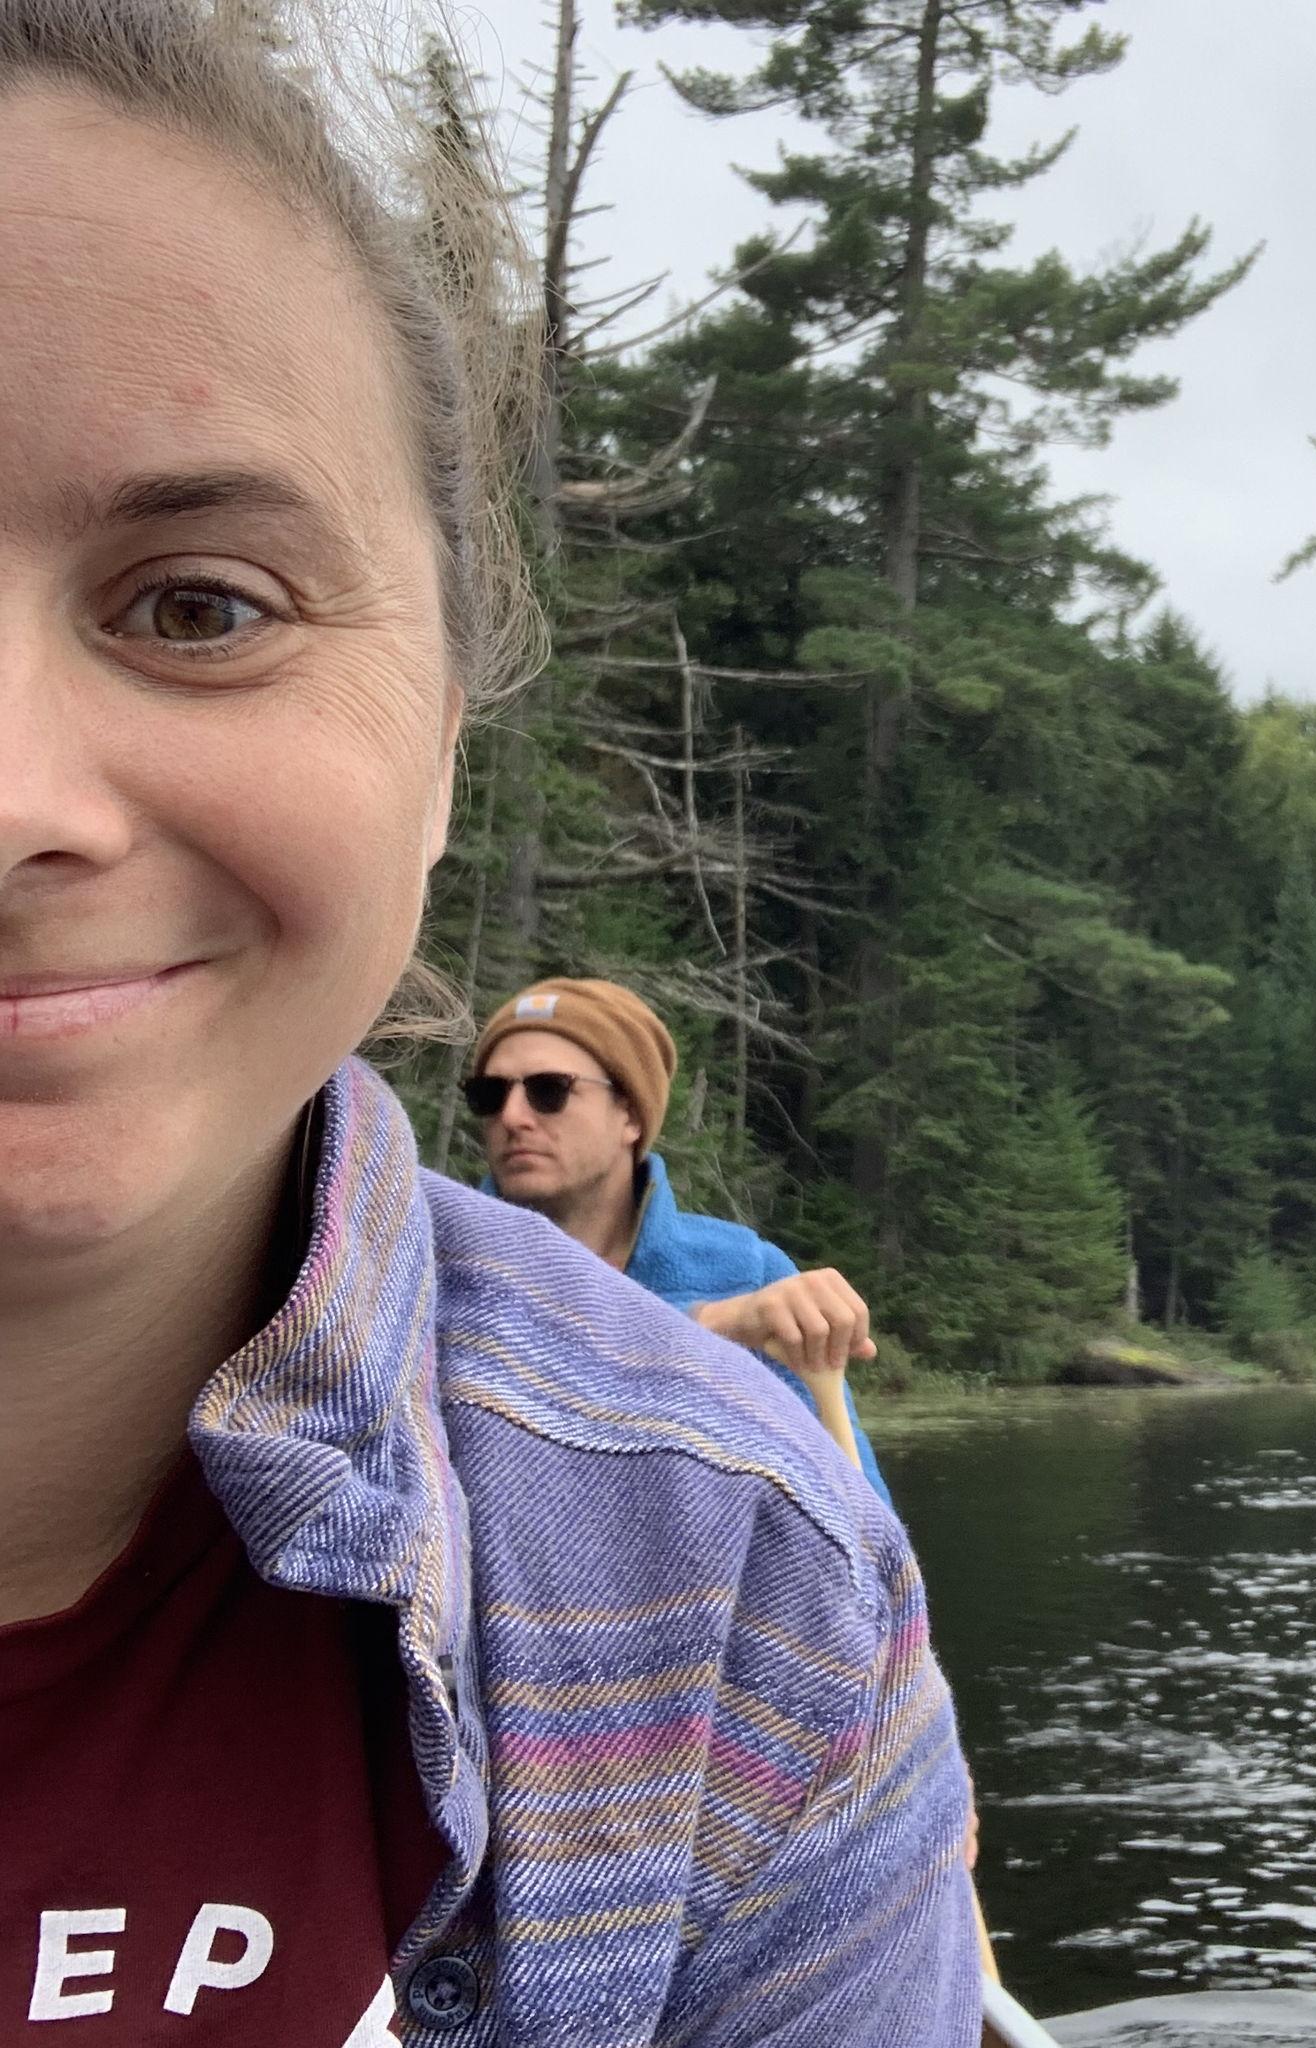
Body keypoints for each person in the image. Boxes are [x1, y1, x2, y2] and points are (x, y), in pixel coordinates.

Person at [0, 4, 980, 2043]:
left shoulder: (724, 1523)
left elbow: (795, 1470)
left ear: (445, 737)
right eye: (497, 1085)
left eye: (199, 605)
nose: (16, 801)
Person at [467, 976, 893, 1503]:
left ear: (630, 1114)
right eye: (489, 1094)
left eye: (548, 1090)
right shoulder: (441, 1268)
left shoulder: (750, 1273)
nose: (512, 1116)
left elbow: (861, 1514)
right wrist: (715, 1326)